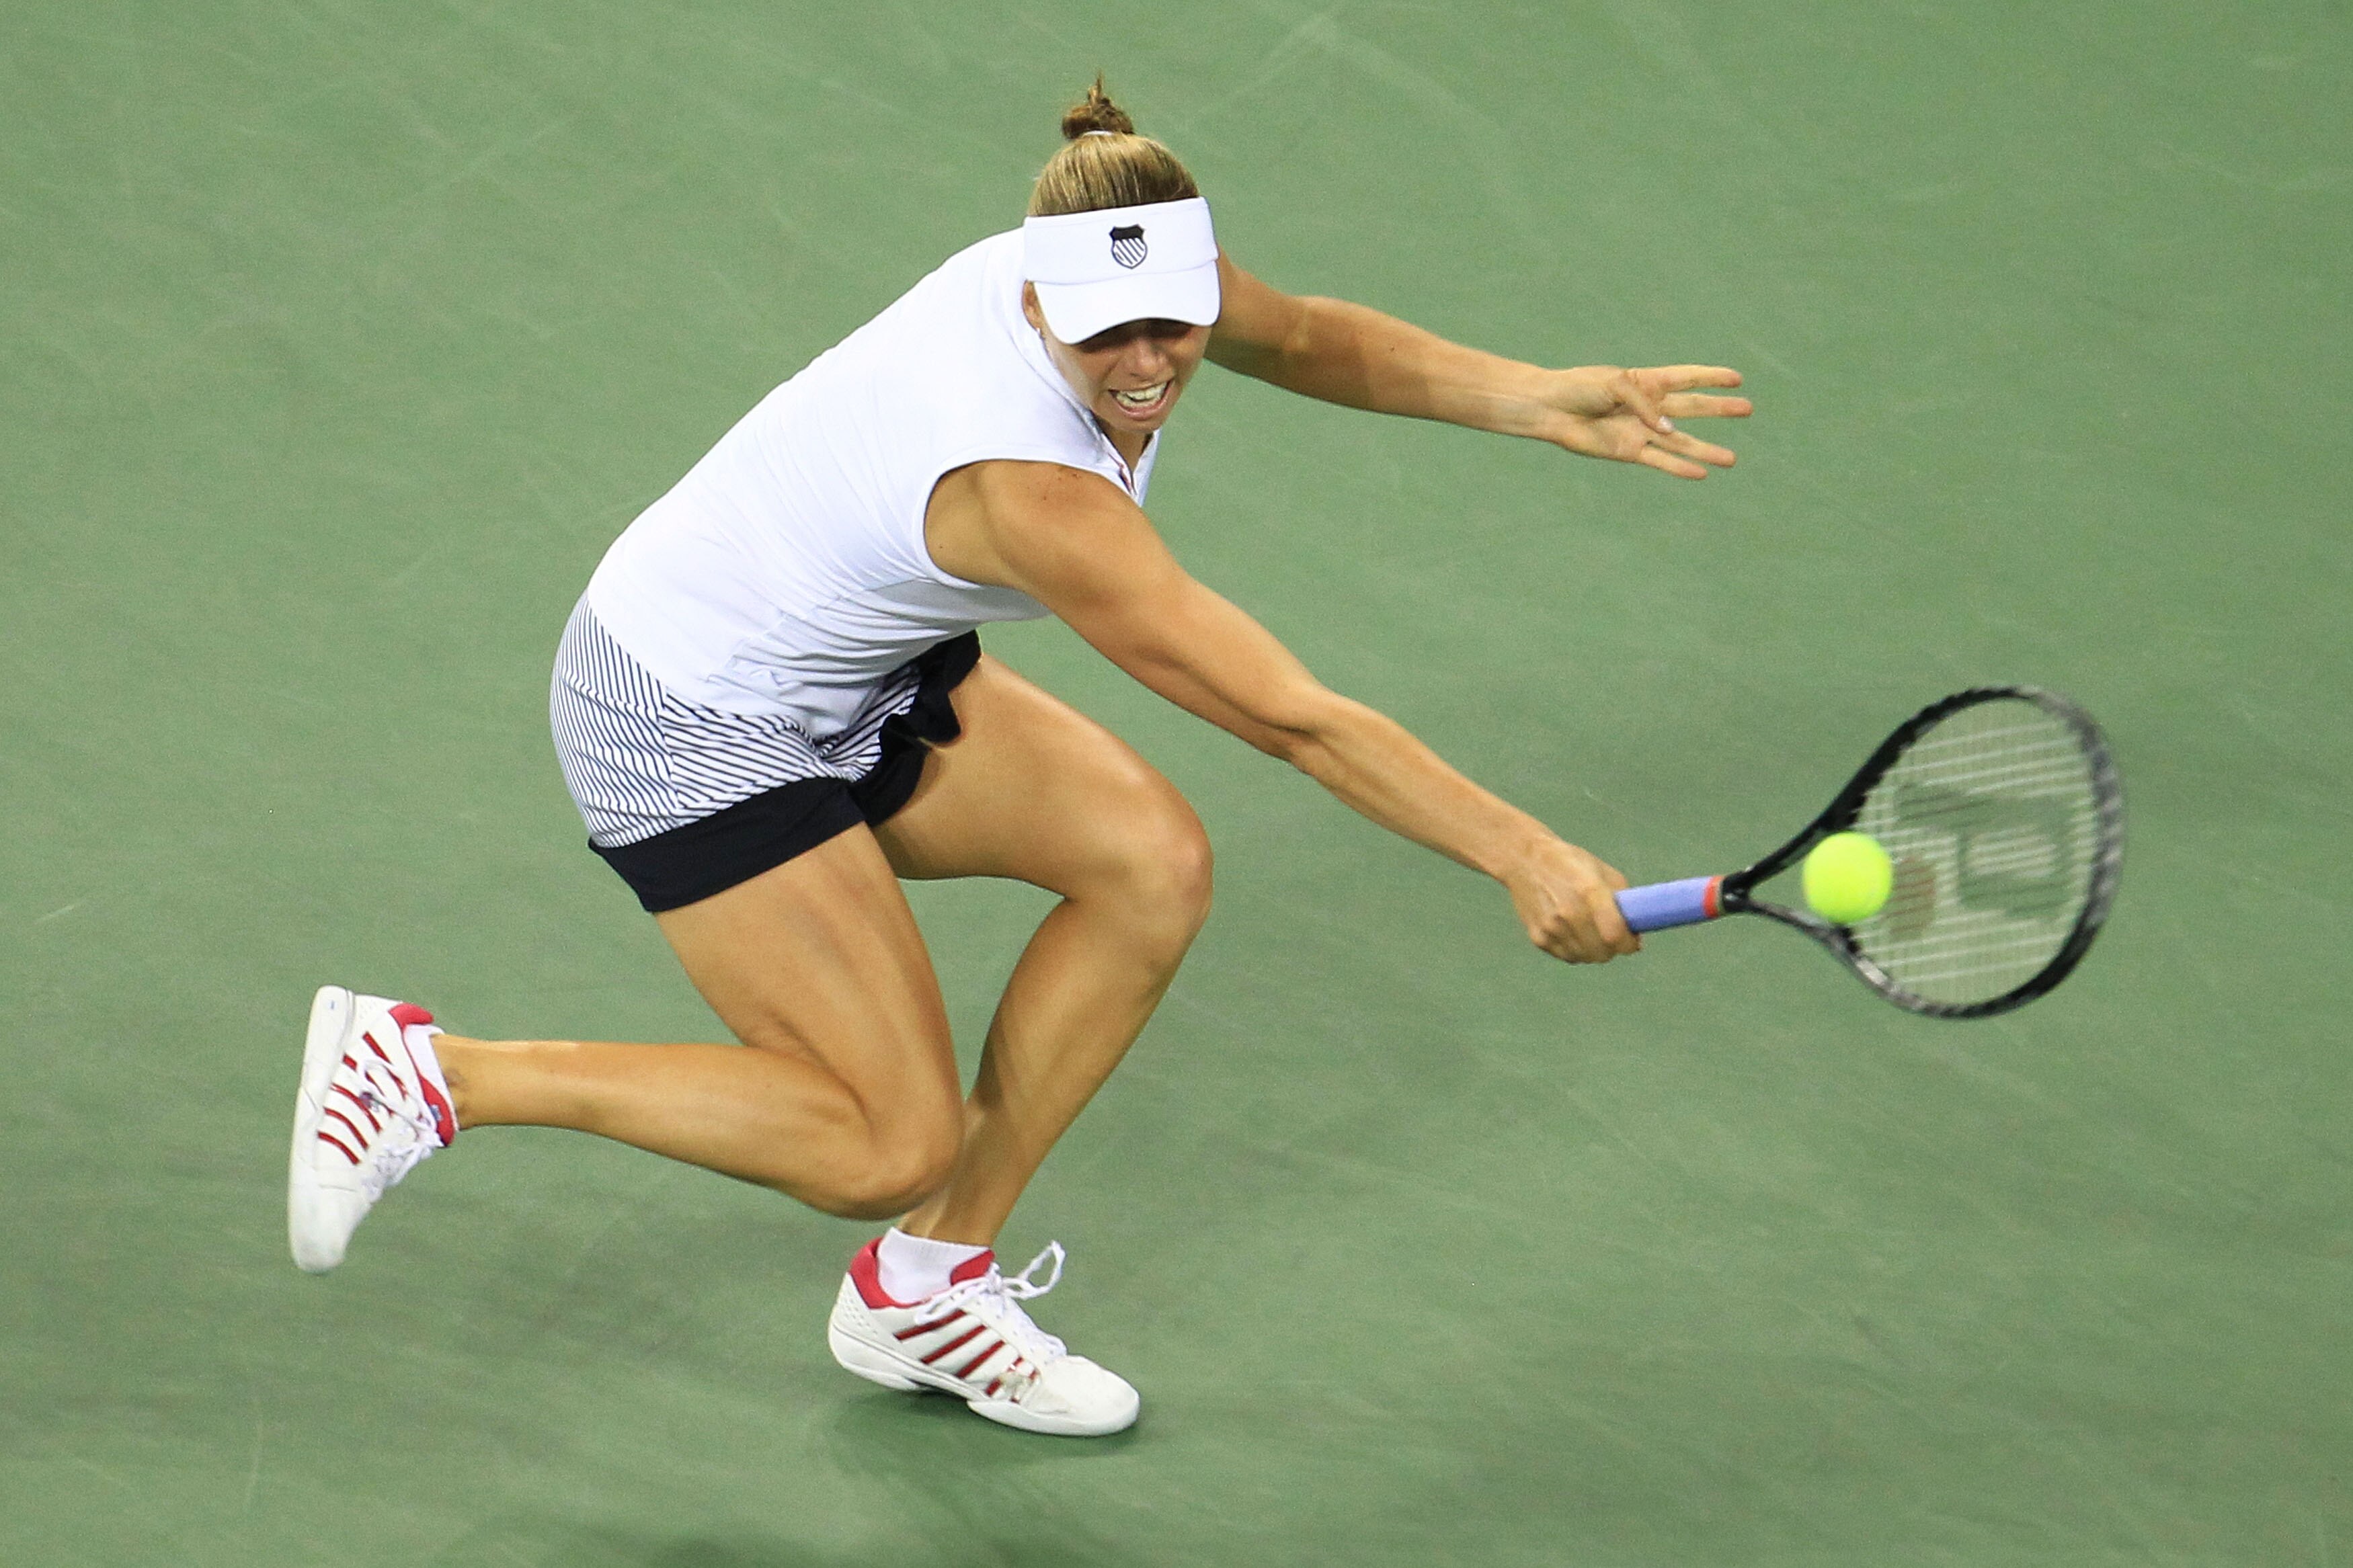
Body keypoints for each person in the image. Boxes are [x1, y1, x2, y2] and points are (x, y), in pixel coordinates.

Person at [286, 81, 1750, 1438]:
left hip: (849, 671)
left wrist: (1529, 395)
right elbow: (1293, 718)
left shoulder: (1127, 263)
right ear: (1036, 295)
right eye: (1107, 337)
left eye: (1172, 326)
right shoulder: (1031, 494)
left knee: (1149, 865)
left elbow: (1301, 336)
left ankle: (924, 1293)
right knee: (876, 1137)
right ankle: (435, 1073)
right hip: (682, 708)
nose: (1146, 363)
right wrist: (1521, 853)